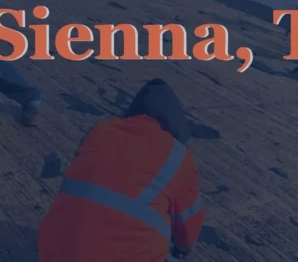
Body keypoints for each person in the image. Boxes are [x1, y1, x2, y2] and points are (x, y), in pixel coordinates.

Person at [37, 79, 204, 262]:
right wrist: (183, 249)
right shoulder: (178, 155)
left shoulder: (100, 131)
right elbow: (187, 231)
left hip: (52, 253)